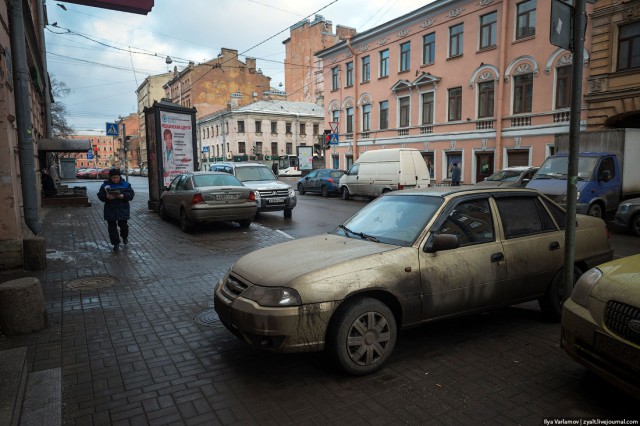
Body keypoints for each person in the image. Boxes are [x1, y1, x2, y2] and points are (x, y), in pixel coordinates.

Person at [97, 168, 135, 251]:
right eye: (113, 178)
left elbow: (131, 194)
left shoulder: (125, 184)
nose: (115, 179)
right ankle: (115, 243)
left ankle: (124, 236)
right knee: (112, 228)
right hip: (110, 209)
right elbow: (100, 195)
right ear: (110, 177)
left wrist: (123, 196)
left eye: (117, 177)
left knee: (124, 227)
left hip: (123, 209)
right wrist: (106, 197)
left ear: (120, 177)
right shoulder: (105, 185)